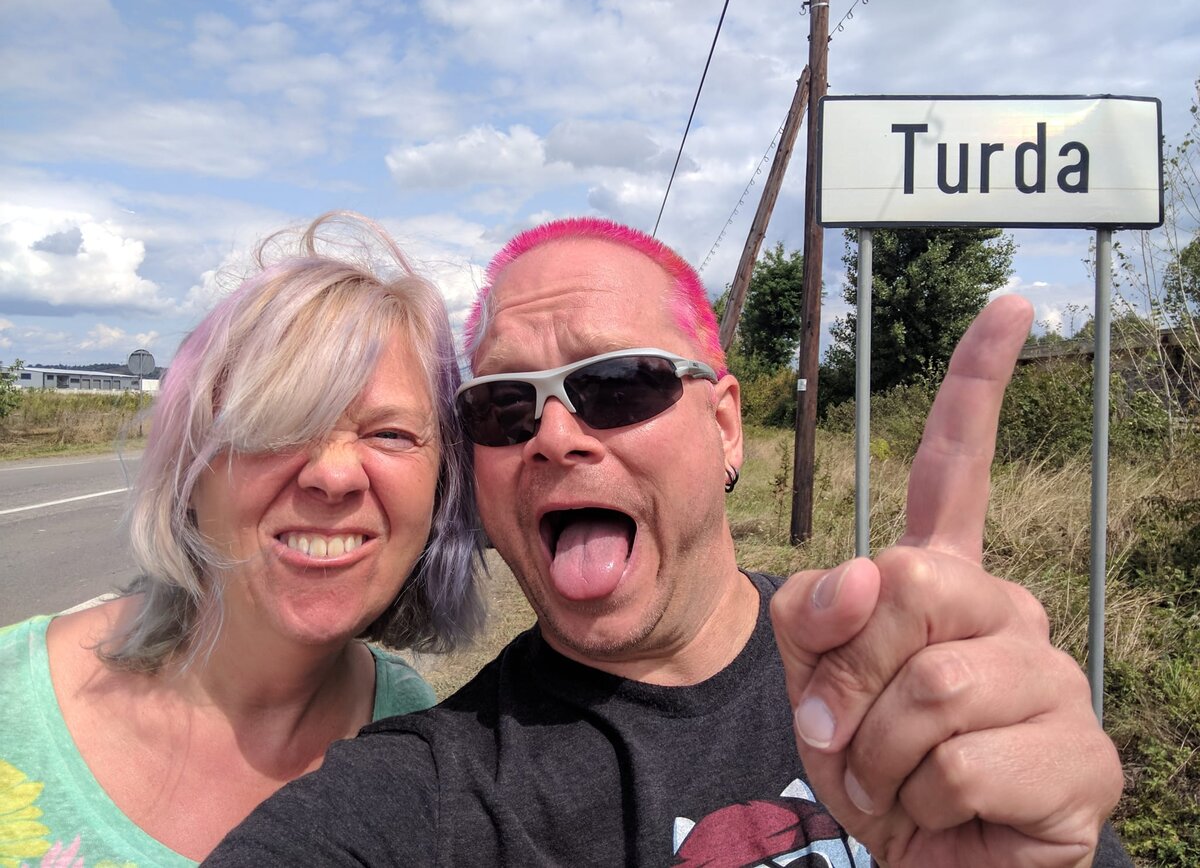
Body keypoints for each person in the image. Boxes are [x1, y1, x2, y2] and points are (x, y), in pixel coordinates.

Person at [205, 217, 1130, 867]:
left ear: (726, 427)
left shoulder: (904, 695)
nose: (556, 435)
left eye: (619, 383)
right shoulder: (429, 789)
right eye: (502, 405)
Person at [0, 212, 485, 866]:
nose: (335, 475)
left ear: (439, 488)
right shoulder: (12, 704)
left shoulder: (414, 740)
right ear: (188, 471)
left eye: (390, 434)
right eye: (279, 425)